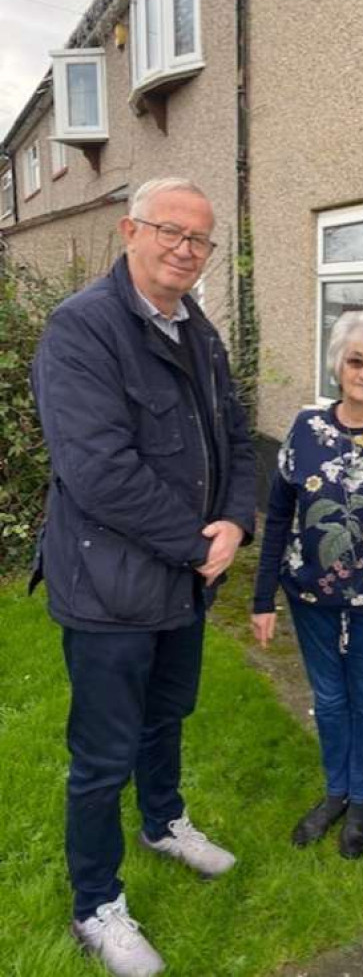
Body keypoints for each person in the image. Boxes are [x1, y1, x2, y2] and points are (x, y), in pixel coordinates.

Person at [30, 178, 255, 977]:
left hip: (182, 586)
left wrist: (237, 521)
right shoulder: (82, 329)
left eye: (201, 239)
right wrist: (198, 546)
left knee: (168, 717)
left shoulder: (200, 331)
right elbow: (98, 471)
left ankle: (162, 821)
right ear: (130, 229)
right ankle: (97, 904)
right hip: (108, 589)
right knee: (101, 756)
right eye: (171, 231)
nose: (186, 249)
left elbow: (234, 429)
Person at [252, 310, 363, 860]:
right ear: (337, 365)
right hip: (311, 593)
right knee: (328, 697)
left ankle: (362, 802)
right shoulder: (307, 430)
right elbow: (278, 515)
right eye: (356, 360)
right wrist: (261, 598)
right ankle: (335, 793)